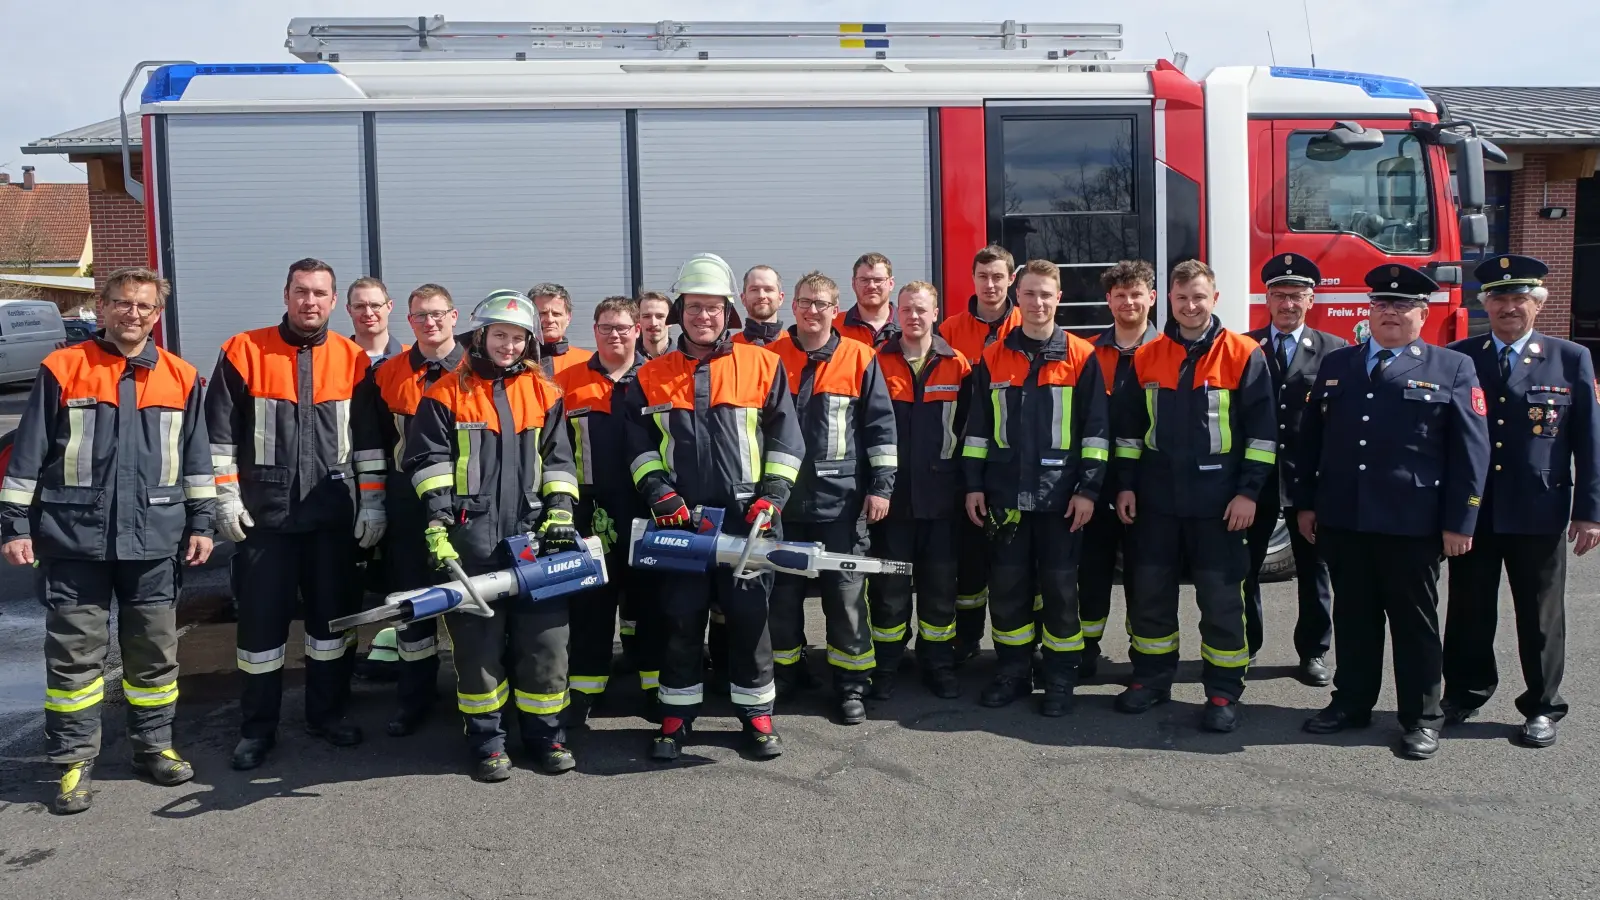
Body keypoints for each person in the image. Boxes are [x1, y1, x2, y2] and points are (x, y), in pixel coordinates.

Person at [0, 267, 215, 814]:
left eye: (144, 306)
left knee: (154, 655)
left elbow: (196, 462)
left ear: (157, 314)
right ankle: (73, 763)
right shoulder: (63, 368)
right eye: (122, 303)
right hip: (75, 541)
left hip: (154, 542)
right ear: (102, 306)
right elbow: (27, 457)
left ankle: (155, 746)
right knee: (74, 660)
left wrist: (203, 524)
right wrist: (15, 527)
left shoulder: (181, 377)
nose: (133, 314)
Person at [1296, 264, 1490, 760]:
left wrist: (1460, 520)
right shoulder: (1341, 363)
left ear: (1423, 315)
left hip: (1412, 524)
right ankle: (1352, 703)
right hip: (1346, 518)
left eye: (1402, 306)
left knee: (1415, 625)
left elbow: (1472, 453)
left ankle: (1423, 717)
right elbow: (1312, 441)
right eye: (1381, 305)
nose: (1390, 313)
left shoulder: (1451, 368)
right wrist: (1307, 504)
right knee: (1355, 618)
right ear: (1369, 312)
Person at [622, 252, 803, 760]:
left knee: (750, 619)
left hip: (751, 517)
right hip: (681, 521)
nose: (705, 316)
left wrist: (774, 496)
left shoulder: (764, 365)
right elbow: (636, 446)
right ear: (680, 310)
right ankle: (676, 718)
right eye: (696, 307)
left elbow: (786, 439)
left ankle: (757, 716)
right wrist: (659, 492)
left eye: (715, 307)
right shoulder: (651, 374)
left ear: (730, 312)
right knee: (680, 618)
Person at [209, 258, 388, 771]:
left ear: (335, 303)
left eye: (320, 294)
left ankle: (326, 715)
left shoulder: (353, 360)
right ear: (285, 294)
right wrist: (226, 498)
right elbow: (219, 436)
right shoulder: (244, 351)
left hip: (332, 519)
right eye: (301, 292)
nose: (310, 302)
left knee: (331, 628)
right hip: (264, 521)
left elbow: (370, 445)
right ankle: (257, 729)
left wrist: (372, 501)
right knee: (261, 633)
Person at [405, 290, 583, 780]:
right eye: (500, 335)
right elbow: (428, 463)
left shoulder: (545, 393)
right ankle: (488, 741)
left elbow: (561, 463)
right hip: (471, 541)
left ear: (529, 343)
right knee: (478, 649)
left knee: (546, 643)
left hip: (535, 540)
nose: (508, 345)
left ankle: (546, 736)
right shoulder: (445, 393)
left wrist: (561, 512)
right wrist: (439, 522)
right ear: (480, 336)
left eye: (517, 337)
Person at [1442, 254, 1600, 748]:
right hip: (1476, 509)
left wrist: (1590, 511)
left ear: (1537, 304)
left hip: (1539, 509)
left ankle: (1542, 706)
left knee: (1540, 614)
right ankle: (1465, 693)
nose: (1509, 307)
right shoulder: (1461, 357)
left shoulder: (1570, 358)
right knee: (1468, 608)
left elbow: (1589, 441)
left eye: (1519, 299)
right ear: (1484, 303)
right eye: (1499, 299)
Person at [1112, 259, 1273, 733]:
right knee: (1149, 598)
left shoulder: (1244, 354)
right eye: (1181, 298)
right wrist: (1124, 484)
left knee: (1222, 601)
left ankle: (1223, 691)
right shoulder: (1146, 356)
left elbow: (1263, 437)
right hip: (1156, 501)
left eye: (1199, 297)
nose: (1190, 306)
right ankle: (1151, 679)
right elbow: (1128, 433)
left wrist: (1248, 495)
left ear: (1215, 299)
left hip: (1219, 504)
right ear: (1169, 300)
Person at [962, 259, 1107, 715]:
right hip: (1005, 497)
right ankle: (1012, 673)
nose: (1038, 302)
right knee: (1008, 590)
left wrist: (1088, 490)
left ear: (1058, 297)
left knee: (1062, 594)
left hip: (1062, 500)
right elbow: (977, 431)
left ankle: (1060, 680)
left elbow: (1096, 433)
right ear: (1016, 298)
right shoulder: (993, 356)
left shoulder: (1082, 356)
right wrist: (973, 485)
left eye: (1046, 294)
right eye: (1029, 294)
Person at [767, 271, 897, 723]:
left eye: (821, 303)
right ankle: (786, 673)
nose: (811, 310)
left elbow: (880, 428)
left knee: (844, 598)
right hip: (782, 503)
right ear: (793, 306)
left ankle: (851, 684)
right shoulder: (769, 358)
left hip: (841, 503)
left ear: (833, 308)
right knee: (781, 598)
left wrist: (881, 487)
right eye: (804, 302)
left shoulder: (860, 357)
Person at [556, 297, 660, 725]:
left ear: (638, 330)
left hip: (648, 507)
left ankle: (655, 686)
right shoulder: (567, 381)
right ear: (593, 330)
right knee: (591, 602)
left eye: (622, 327)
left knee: (651, 600)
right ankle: (586, 687)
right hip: (590, 508)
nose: (613, 335)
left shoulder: (657, 377)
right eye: (605, 327)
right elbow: (555, 451)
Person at [366, 283, 463, 737]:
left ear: (454, 316)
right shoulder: (388, 372)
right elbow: (377, 442)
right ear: (408, 322)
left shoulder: (475, 367)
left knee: (472, 602)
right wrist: (373, 502)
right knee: (412, 603)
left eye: (438, 314)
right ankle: (415, 698)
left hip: (465, 504)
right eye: (421, 315)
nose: (431, 322)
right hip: (408, 505)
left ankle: (476, 697)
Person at [1243, 253, 1343, 684]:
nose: (1287, 304)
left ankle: (1313, 651)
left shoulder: (1336, 351)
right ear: (1266, 298)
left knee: (1314, 569)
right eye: (1279, 295)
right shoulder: (1244, 347)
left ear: (1311, 299)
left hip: (1309, 481)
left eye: (1296, 296)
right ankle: (1244, 646)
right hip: (1257, 480)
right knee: (1245, 570)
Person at [870, 282, 971, 699]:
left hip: (941, 499)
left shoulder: (957, 364)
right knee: (889, 590)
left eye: (922, 310)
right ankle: (888, 665)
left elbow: (969, 433)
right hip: (892, 501)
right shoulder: (876, 362)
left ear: (936, 314)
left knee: (939, 588)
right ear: (896, 313)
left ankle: (938, 663)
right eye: (907, 309)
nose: (914, 316)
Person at [939, 246, 1024, 663]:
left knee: (1018, 564)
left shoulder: (1029, 321)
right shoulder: (950, 330)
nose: (990, 285)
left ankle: (1026, 648)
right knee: (969, 563)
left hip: (1013, 465)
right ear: (972, 280)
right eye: (982, 277)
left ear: (1012, 279)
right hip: (963, 462)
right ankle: (967, 641)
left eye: (998, 277)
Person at [1080, 260, 1159, 679]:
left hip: (1150, 486)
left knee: (1144, 576)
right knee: (1090, 573)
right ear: (1108, 300)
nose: (1128, 302)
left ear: (1151, 297)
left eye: (1136, 293)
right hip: (1097, 482)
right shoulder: (1089, 353)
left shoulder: (1167, 351)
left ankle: (1143, 656)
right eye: (1120, 294)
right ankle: (1086, 650)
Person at [835, 252, 901, 349]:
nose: (871, 286)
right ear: (853, 283)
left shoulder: (908, 324)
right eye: (864, 280)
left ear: (891, 283)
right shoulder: (833, 327)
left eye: (878, 280)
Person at [528, 282, 595, 377]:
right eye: (542, 313)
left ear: (568, 318)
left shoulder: (589, 362)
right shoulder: (517, 363)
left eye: (556, 314)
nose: (550, 319)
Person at [347, 276, 405, 362]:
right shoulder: (334, 358)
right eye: (359, 306)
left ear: (389, 307)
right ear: (349, 310)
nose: (368, 313)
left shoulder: (410, 359)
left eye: (375, 305)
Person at [734, 264, 786, 346]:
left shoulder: (798, 347)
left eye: (768, 289)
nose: (761, 295)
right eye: (754, 289)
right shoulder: (727, 349)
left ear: (781, 298)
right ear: (743, 298)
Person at [636, 290, 673, 359]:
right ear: (638, 320)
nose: (653, 323)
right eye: (646, 316)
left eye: (660, 316)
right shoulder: (625, 361)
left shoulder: (685, 361)